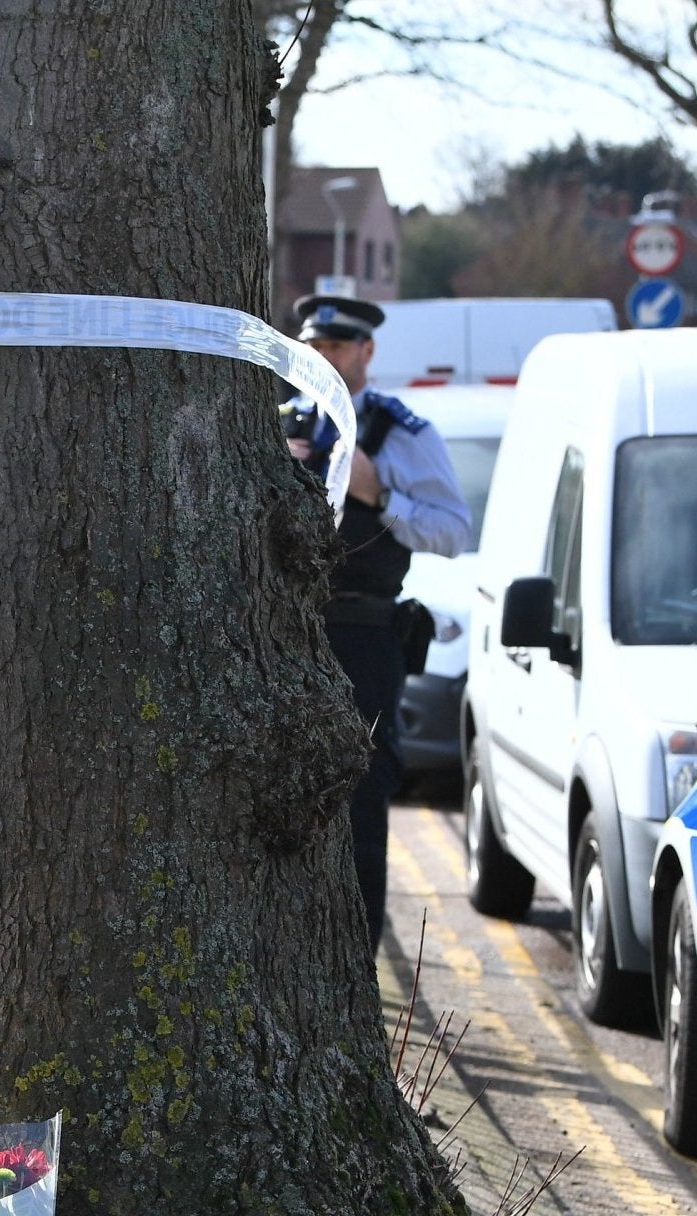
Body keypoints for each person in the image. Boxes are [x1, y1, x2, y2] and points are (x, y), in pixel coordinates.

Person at [284, 293, 470, 944]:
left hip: (363, 635)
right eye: (314, 348)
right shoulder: (281, 420)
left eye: (337, 348)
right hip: (283, 633)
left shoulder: (400, 431)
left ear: (366, 352)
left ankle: (357, 959)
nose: (324, 359)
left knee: (360, 792)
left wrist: (378, 493)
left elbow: (452, 530)